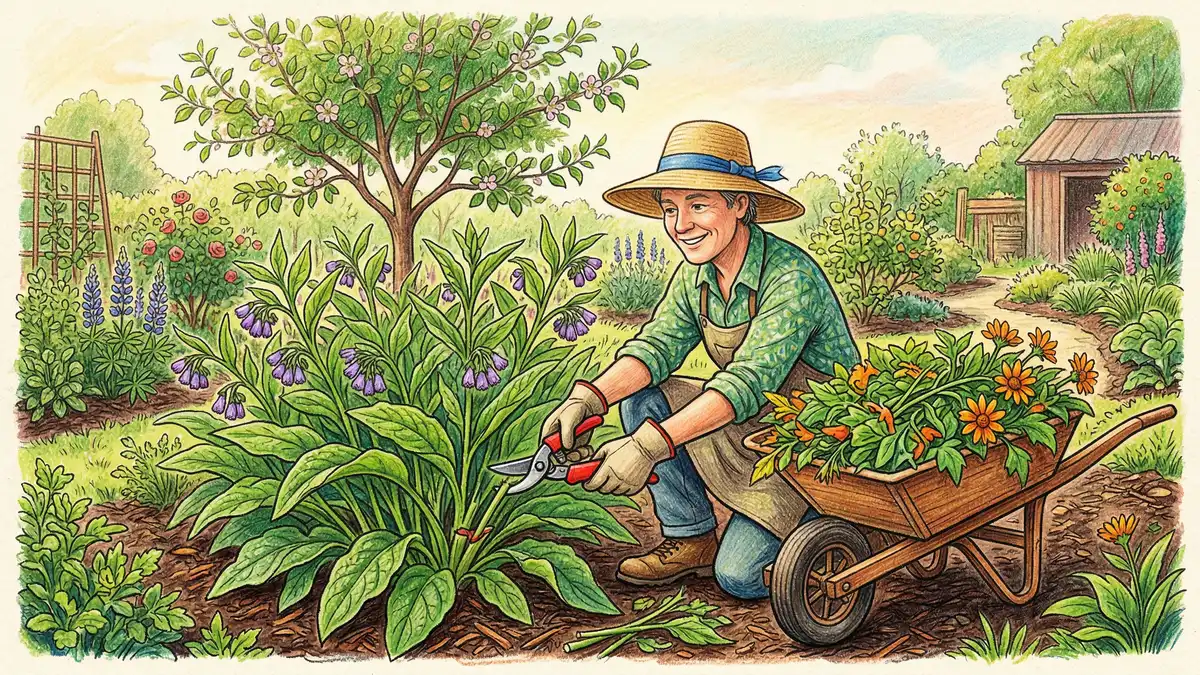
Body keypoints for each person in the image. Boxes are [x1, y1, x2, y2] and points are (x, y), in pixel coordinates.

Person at [541, 120, 858, 599]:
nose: (680, 224)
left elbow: (746, 382)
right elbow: (656, 348)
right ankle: (691, 538)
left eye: (698, 205)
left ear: (741, 206)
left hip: (815, 445)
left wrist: (648, 447)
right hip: (756, 430)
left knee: (741, 577)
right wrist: (589, 398)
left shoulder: (792, 278)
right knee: (642, 398)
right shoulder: (699, 276)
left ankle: (825, 516)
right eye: (670, 208)